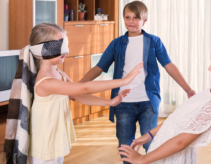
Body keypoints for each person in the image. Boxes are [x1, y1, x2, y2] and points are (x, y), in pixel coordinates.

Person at [3, 23, 142, 164]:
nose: (67, 51)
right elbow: (84, 88)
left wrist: (110, 102)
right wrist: (123, 81)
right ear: (42, 50)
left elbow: (79, 95)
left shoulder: (60, 74)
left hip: (56, 141)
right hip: (43, 145)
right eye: (61, 46)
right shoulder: (45, 82)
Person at [79, 2, 195, 163]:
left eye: (136, 17)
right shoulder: (116, 44)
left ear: (144, 21)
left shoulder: (154, 42)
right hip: (123, 102)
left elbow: (169, 66)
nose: (131, 21)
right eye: (127, 17)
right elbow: (99, 68)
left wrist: (188, 89)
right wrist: (77, 87)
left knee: (151, 143)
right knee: (125, 145)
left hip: (148, 101)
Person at [117, 37, 211, 164]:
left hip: (173, 158)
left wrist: (143, 159)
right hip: (163, 147)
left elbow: (181, 142)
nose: (209, 68)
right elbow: (178, 118)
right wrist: (150, 135)